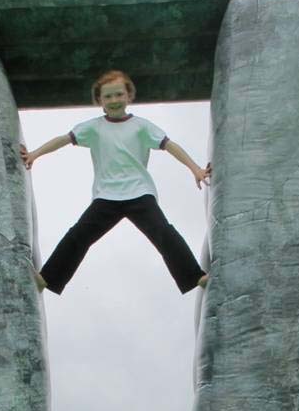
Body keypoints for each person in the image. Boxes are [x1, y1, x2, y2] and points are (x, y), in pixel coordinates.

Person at [20, 70, 210, 295]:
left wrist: (195, 168)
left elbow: (170, 146)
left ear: (129, 97)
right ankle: (46, 279)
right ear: (100, 102)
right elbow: (62, 140)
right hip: (106, 197)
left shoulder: (141, 126)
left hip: (140, 193)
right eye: (108, 97)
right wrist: (34, 154)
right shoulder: (94, 127)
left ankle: (196, 276)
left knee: (164, 233)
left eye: (119, 95)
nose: (114, 101)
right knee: (78, 235)